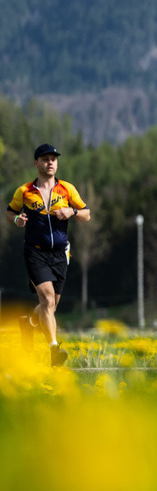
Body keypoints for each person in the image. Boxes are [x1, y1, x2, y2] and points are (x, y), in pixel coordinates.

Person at [6, 143, 90, 366]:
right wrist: (17, 219)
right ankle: (54, 349)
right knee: (48, 299)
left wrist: (72, 211)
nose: (50, 162)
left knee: (50, 307)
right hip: (35, 252)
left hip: (61, 254)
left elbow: (87, 214)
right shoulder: (24, 191)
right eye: (45, 159)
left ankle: (29, 323)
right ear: (36, 163)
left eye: (53, 159)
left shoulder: (67, 189)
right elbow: (10, 212)